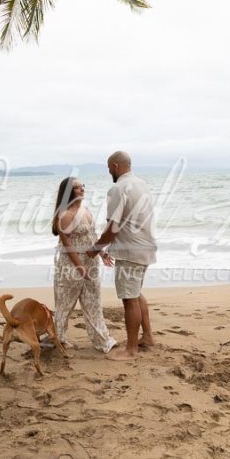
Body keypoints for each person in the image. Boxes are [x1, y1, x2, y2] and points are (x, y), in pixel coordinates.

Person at [87, 151, 157, 360]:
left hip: (130, 251)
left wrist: (96, 248)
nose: (109, 171)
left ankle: (131, 349)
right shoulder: (142, 184)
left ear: (116, 166)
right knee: (135, 294)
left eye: (109, 168)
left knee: (129, 299)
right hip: (145, 247)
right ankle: (148, 338)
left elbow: (112, 228)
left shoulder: (117, 189)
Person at [51, 176, 117, 353]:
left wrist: (102, 253)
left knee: (93, 302)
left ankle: (102, 340)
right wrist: (79, 266)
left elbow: (91, 237)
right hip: (70, 264)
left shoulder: (86, 210)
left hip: (91, 261)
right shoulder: (65, 216)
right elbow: (67, 244)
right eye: (77, 187)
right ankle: (58, 338)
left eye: (82, 186)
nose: (82, 189)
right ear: (69, 192)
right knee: (65, 303)